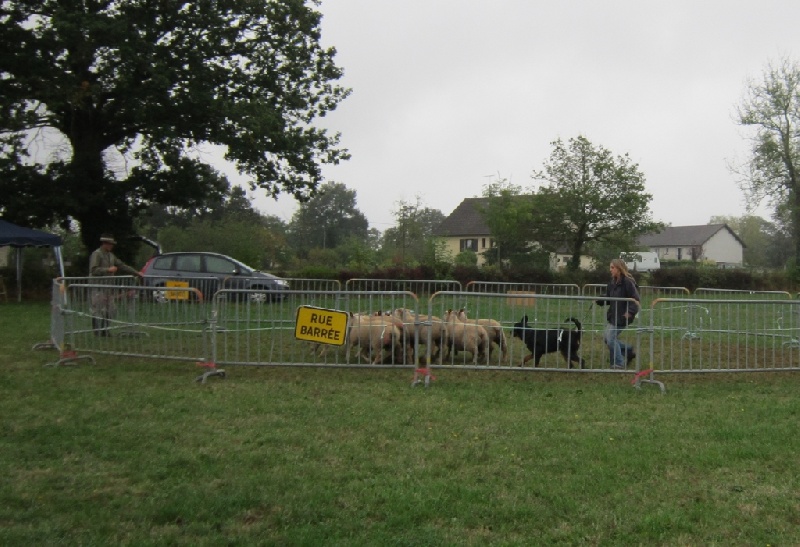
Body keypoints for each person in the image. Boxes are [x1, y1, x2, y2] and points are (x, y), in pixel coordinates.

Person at [89, 234, 143, 336]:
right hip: (98, 287)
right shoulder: (96, 254)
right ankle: (97, 331)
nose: (111, 246)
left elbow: (122, 265)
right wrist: (107, 270)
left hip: (108, 288)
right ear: (104, 244)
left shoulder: (111, 256)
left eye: (112, 244)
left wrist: (136, 273)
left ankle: (105, 330)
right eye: (110, 244)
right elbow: (93, 270)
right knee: (98, 310)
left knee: (112, 310)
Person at [596, 258, 641, 369]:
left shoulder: (628, 282)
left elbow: (635, 299)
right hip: (613, 315)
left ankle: (618, 363)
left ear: (619, 269)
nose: (610, 270)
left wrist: (630, 312)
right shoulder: (612, 282)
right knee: (607, 339)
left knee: (610, 338)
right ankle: (628, 350)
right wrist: (599, 300)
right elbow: (609, 297)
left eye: (612, 267)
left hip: (623, 316)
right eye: (610, 267)